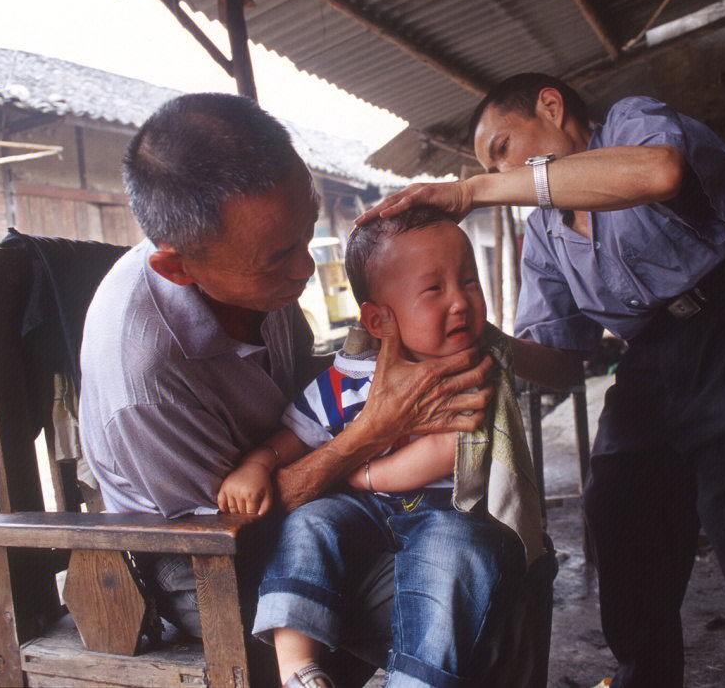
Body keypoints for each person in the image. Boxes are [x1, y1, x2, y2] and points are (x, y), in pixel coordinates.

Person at [360, 73, 725, 688]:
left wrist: (478, 189)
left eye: (502, 146)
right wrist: (491, 342)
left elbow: (661, 173)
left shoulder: (633, 126)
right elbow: (561, 360)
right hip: (654, 351)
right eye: (489, 164)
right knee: (618, 505)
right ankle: (645, 675)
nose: (498, 168)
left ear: (552, 108)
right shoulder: (546, 234)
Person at [78, 93, 497, 686]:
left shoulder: (258, 281)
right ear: (180, 268)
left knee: (484, 561)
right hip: (208, 567)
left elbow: (309, 402)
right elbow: (234, 535)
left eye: (306, 234)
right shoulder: (142, 377)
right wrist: (373, 433)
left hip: (310, 507)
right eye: (279, 259)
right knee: (469, 592)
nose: (304, 271)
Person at [218, 208, 547, 688]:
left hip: (448, 511)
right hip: (362, 511)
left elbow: (452, 449)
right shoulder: (349, 376)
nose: (460, 302)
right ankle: (297, 668)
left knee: (454, 565)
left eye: (470, 282)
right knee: (309, 523)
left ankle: (416, 681)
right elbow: (298, 432)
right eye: (434, 290)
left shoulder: (473, 371)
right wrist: (257, 462)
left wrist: (366, 475)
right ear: (377, 319)